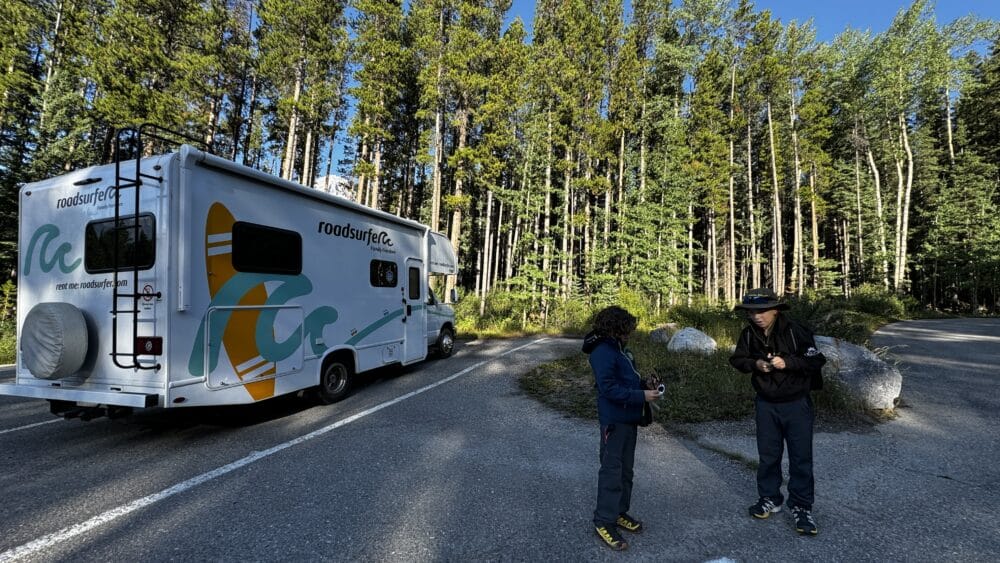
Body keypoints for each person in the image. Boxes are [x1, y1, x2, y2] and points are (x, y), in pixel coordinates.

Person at [729, 288, 827, 536]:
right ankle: (770, 498)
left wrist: (788, 363)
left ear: (775, 310)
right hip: (765, 403)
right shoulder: (749, 334)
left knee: (800, 457)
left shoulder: (796, 331)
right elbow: (737, 360)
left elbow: (816, 361)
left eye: (761, 311)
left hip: (797, 404)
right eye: (751, 312)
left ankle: (802, 507)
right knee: (768, 455)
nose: (756, 317)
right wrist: (755, 364)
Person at [582, 306, 662, 551]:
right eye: (626, 330)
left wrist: (644, 384)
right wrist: (641, 396)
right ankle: (604, 520)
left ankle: (619, 512)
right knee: (611, 471)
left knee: (626, 471)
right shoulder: (602, 351)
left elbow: (624, 381)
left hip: (629, 419)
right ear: (614, 328)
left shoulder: (618, 348)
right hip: (614, 421)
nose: (630, 334)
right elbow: (608, 388)